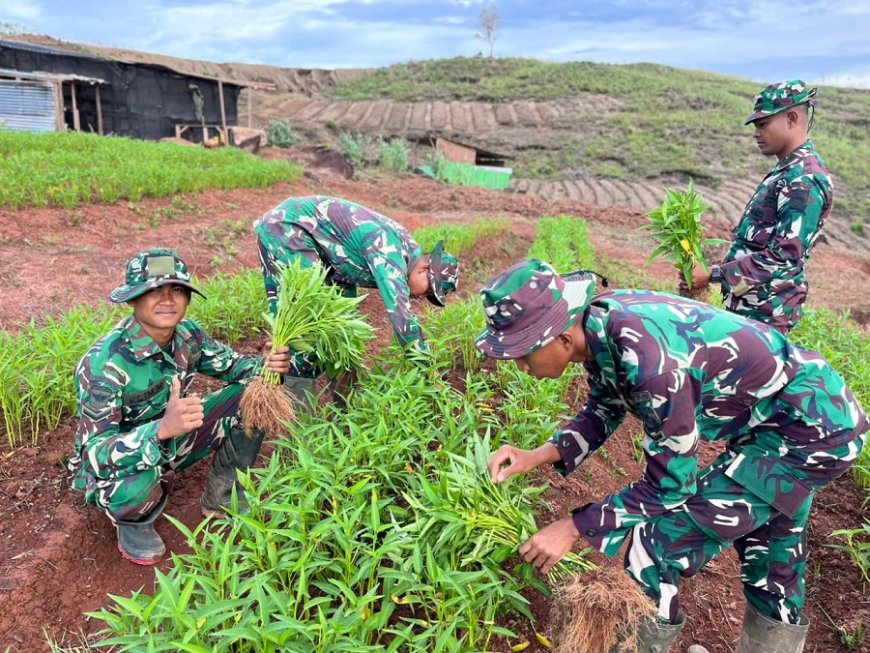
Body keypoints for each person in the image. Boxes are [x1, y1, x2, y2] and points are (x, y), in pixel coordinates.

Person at [479, 259, 866, 652]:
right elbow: (604, 408)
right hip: (790, 421)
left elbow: (669, 487)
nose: (521, 365)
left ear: (562, 338)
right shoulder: (599, 325)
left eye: (524, 353)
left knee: (656, 545)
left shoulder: (651, 366)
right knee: (771, 551)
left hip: (808, 433)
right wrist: (537, 456)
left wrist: (575, 526)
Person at [67, 248, 291, 565]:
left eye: (177, 290)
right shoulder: (104, 365)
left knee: (254, 394)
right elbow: (95, 456)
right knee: (132, 490)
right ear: (132, 299)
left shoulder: (188, 335)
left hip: (175, 437)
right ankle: (133, 522)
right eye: (153, 291)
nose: (167, 300)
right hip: (122, 464)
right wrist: (159, 429)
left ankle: (222, 498)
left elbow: (236, 368)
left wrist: (267, 365)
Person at [253, 195, 460, 403]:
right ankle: (297, 417)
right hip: (289, 228)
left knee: (341, 327)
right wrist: (429, 370)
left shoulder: (406, 252)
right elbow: (401, 316)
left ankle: (343, 406)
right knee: (309, 319)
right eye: (429, 290)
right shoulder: (391, 251)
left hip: (315, 248)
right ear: (424, 269)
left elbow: (346, 266)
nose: (423, 297)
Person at [688, 80, 833, 335]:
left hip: (764, 318)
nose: (756, 133)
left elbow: (784, 258)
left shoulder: (803, 179)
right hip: (750, 311)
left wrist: (712, 275)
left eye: (763, 124)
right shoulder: (787, 171)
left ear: (791, 118)